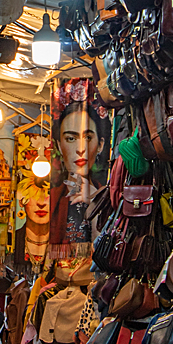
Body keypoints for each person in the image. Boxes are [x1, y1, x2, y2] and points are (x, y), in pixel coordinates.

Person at [49, 97, 109, 244]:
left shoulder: (108, 198)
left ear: (100, 145)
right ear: (59, 146)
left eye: (88, 137)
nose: (81, 149)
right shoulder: (51, 199)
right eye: (71, 138)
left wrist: (96, 202)